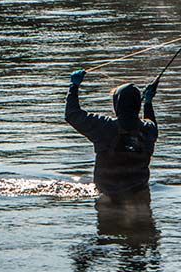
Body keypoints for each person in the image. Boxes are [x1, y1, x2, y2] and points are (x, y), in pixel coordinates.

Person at [64, 69, 159, 198]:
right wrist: (148, 103)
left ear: (117, 104)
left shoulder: (104, 127)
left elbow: (72, 115)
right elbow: (151, 124)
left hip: (107, 194)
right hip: (138, 193)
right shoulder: (149, 129)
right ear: (138, 105)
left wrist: (74, 86)